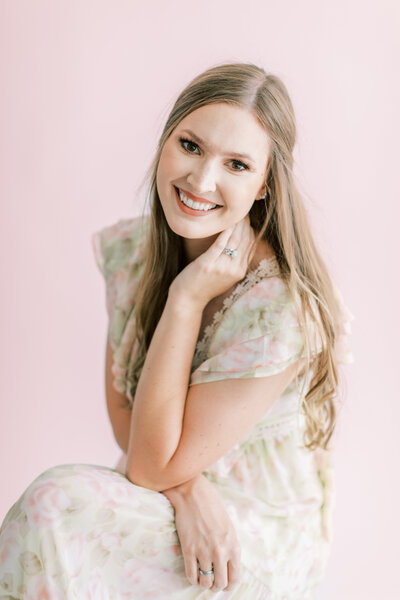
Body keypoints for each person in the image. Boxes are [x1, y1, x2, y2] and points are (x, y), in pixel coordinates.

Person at [0, 62, 353, 599]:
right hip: (170, 493)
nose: (202, 181)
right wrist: (185, 487)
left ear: (264, 187)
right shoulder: (135, 253)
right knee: (56, 520)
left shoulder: (279, 310)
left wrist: (187, 301)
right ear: (165, 142)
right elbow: (130, 423)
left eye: (236, 164)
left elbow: (145, 462)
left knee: (55, 504)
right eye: (190, 146)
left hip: (246, 541)